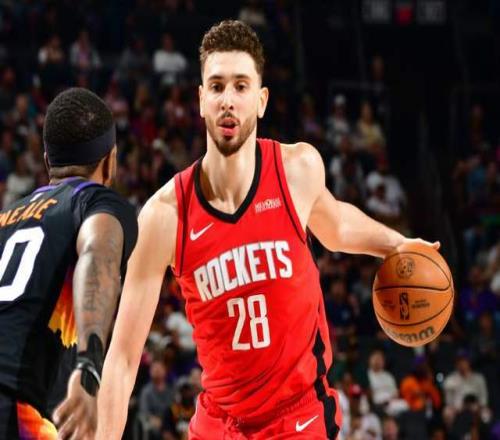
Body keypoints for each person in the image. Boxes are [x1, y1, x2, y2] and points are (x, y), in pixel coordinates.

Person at [97, 20, 438, 439]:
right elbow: (122, 359)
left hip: (298, 417)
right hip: (221, 422)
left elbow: (336, 225)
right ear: (201, 100)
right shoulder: (164, 216)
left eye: (241, 86)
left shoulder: (296, 170)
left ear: (261, 101)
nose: (228, 100)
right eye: (217, 86)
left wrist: (396, 244)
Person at [0, 88, 138, 439]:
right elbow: (97, 253)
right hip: (18, 409)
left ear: (48, 160)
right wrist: (89, 365)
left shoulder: (4, 218)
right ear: (110, 162)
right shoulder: (94, 202)